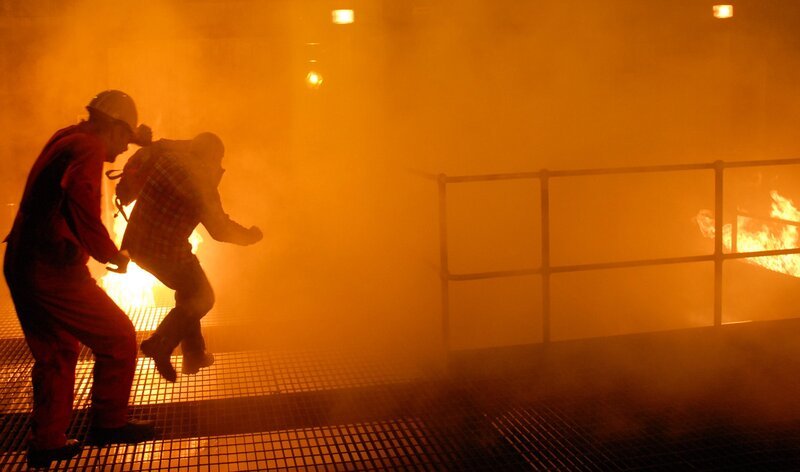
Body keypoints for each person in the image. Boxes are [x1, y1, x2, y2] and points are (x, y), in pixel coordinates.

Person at [3, 90, 157, 468]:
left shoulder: (67, 137)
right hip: (52, 268)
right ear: (113, 125)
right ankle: (109, 423)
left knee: (57, 351)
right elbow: (81, 202)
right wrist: (110, 254)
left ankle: (48, 442)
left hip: (23, 261)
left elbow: (65, 199)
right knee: (119, 337)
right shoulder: (88, 147)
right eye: (125, 138)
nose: (123, 149)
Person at [121, 132, 262, 383]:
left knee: (188, 291)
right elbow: (219, 230)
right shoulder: (200, 180)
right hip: (165, 252)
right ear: (212, 157)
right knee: (203, 297)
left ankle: (194, 355)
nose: (219, 167)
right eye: (219, 161)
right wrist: (249, 236)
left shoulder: (170, 158)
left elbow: (162, 145)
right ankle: (160, 342)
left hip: (135, 245)